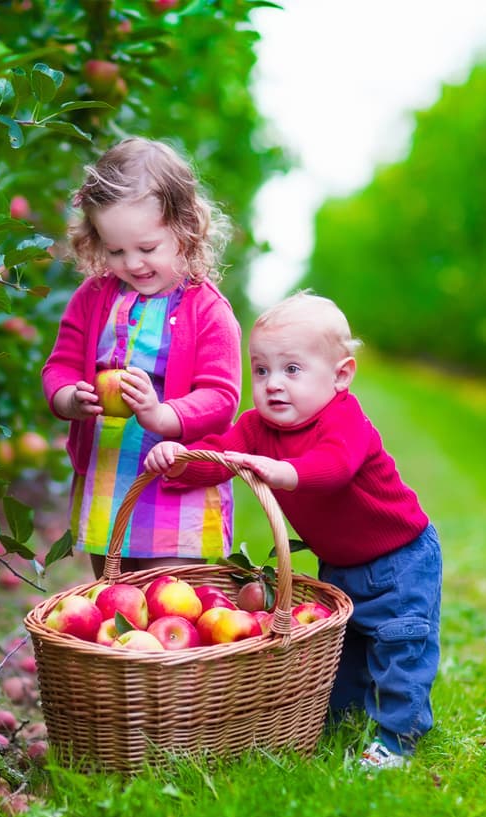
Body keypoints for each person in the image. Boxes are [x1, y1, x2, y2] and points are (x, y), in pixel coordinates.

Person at [144, 292, 441, 771]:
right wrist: (179, 462)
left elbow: (333, 468)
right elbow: (222, 455)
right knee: (344, 649)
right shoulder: (257, 427)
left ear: (341, 376)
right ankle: (340, 720)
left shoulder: (345, 418)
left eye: (292, 370)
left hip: (400, 559)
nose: (273, 385)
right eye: (261, 371)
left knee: (398, 645)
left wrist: (281, 471)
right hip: (339, 564)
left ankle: (398, 739)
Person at [42, 137, 243, 578]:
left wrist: (162, 414)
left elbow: (221, 396)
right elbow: (59, 365)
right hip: (109, 478)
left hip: (177, 488)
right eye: (115, 251)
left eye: (147, 248)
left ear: (185, 230)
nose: (132, 263)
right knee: (114, 598)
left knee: (169, 602)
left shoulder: (207, 310)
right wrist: (68, 400)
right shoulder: (93, 298)